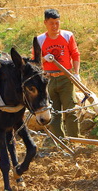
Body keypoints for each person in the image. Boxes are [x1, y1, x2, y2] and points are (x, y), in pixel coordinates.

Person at [33, 8, 80, 139]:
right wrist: (43, 59)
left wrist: (76, 73)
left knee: (70, 110)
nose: (54, 26)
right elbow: (34, 62)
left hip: (65, 77)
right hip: (48, 80)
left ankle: (74, 139)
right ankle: (59, 141)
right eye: (51, 23)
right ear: (45, 23)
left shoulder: (67, 36)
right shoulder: (39, 40)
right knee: (53, 112)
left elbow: (75, 55)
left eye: (57, 23)